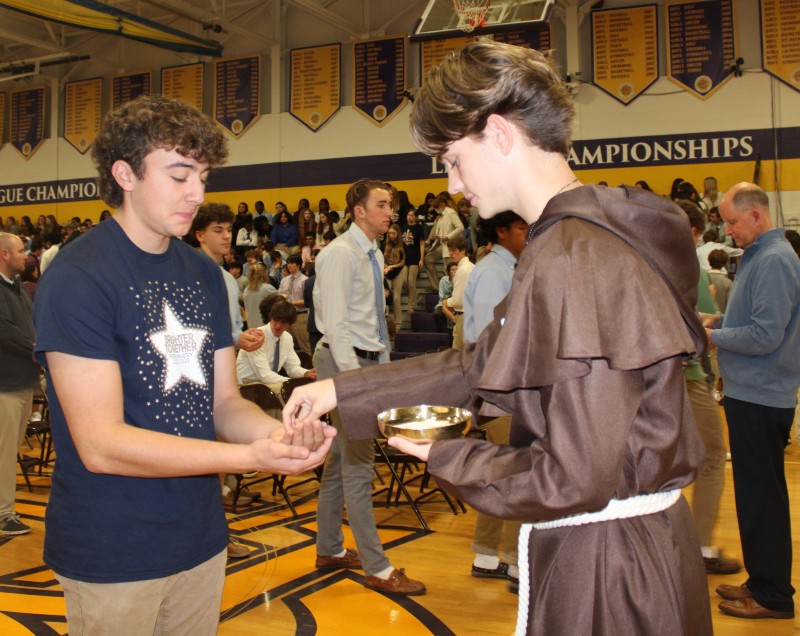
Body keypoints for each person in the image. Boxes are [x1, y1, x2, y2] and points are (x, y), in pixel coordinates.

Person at [284, 41, 711, 635]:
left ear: (501, 134)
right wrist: (342, 390)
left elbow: (574, 475)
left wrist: (449, 455)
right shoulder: (583, 238)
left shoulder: (574, 256)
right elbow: (483, 363)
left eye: (454, 160)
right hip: (622, 548)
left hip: (608, 573)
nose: (454, 186)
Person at [32, 95, 334, 634]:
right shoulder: (79, 276)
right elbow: (100, 444)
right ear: (124, 173)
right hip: (113, 547)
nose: (197, 193)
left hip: (199, 537)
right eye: (178, 176)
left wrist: (278, 435)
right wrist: (250, 457)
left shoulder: (201, 274)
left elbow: (223, 402)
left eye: (202, 176)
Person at [311, 178, 425, 596]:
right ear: (358, 210)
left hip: (364, 360)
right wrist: (352, 380)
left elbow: (369, 319)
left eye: (390, 205)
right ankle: (377, 568)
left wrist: (379, 363)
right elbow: (337, 324)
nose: (389, 212)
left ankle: (329, 548)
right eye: (381, 205)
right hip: (346, 363)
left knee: (342, 460)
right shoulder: (341, 254)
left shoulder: (372, 251)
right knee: (359, 466)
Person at [702, 182, 800, 620]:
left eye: (733, 222)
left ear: (757, 217)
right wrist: (719, 321)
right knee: (756, 497)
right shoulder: (760, 257)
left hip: (761, 395)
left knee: (762, 499)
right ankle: (762, 580)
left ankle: (774, 595)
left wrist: (710, 337)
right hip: (751, 393)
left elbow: (765, 336)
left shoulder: (776, 260)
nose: (728, 230)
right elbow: (753, 321)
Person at [461, 212, 527, 590]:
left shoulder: (509, 268)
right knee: (517, 471)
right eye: (521, 227)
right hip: (499, 387)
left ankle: (488, 554)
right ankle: (516, 561)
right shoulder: (491, 272)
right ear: (501, 231)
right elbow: (491, 340)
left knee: (501, 471)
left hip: (505, 385)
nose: (527, 233)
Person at [0, 232, 40, 536]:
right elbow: (7, 333)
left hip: (23, 381)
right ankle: (3, 514)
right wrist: (38, 349)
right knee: (3, 451)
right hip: (5, 385)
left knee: (9, 448)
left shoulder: (18, 289)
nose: (25, 256)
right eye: (19, 251)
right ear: (4, 254)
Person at [236, 295, 316, 395]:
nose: (278, 326)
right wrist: (292, 383)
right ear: (270, 318)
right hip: (248, 385)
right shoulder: (257, 336)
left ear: (290, 324)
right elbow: (265, 376)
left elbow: (292, 368)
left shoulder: (287, 338)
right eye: (276, 320)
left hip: (265, 383)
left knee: (305, 388)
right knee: (293, 391)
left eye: (283, 322)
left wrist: (306, 373)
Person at [441, 235, 473, 350]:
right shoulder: (470, 266)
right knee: (457, 355)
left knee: (464, 356)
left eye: (453, 250)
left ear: (463, 250)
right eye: (449, 250)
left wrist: (446, 302)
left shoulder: (463, 270)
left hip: (464, 316)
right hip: (465, 316)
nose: (450, 253)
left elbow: (459, 301)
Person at [382, 223, 406, 327]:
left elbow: (403, 262)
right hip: (387, 271)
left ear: (398, 234)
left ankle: (398, 323)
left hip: (398, 271)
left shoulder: (402, 245)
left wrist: (391, 267)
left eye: (393, 233)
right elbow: (381, 257)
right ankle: (386, 321)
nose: (391, 235)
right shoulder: (385, 243)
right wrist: (385, 266)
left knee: (396, 298)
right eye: (389, 233)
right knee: (386, 297)